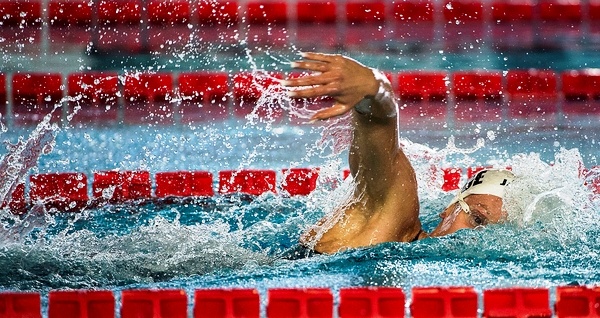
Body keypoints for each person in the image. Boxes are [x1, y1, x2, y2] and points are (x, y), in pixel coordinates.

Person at [281, 52, 515, 257]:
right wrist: (372, 86)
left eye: (493, 234)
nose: (477, 238)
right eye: (477, 220)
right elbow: (378, 121)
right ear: (450, 209)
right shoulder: (395, 210)